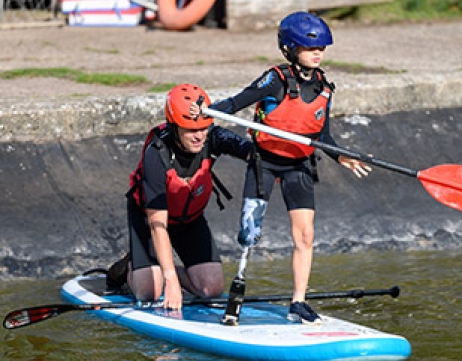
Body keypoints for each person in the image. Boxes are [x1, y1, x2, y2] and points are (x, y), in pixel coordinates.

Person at [191, 11, 372, 324]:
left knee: (305, 236)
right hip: (263, 163)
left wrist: (340, 156)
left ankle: (298, 302)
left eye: (321, 49)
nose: (318, 53)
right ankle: (236, 295)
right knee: (250, 233)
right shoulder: (274, 79)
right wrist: (205, 111)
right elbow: (236, 103)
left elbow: (322, 135)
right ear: (290, 48)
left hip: (298, 166)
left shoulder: (324, 88)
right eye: (310, 47)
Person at [107, 83, 253, 310]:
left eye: (204, 128)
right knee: (150, 291)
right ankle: (129, 268)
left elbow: (249, 151)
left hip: (189, 221)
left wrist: (265, 157)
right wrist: (171, 281)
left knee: (211, 290)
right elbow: (158, 225)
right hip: (151, 222)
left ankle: (156, 267)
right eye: (191, 130)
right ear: (174, 127)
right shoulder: (156, 154)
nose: (199, 136)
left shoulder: (213, 137)